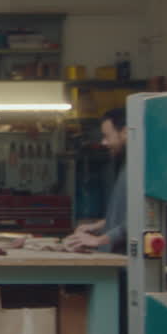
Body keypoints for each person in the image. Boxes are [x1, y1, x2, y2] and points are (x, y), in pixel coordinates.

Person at [64, 107, 128, 253]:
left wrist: (99, 240)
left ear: (124, 132)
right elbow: (123, 215)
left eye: (107, 136)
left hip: (128, 262)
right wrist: (96, 226)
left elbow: (142, 219)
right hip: (116, 258)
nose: (104, 142)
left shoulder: (143, 168)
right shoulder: (127, 165)